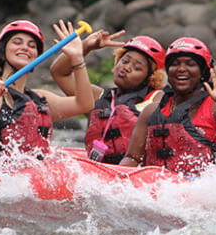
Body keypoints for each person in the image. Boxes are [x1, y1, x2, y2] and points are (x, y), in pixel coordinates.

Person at [0, 20, 94, 185]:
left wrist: (77, 59)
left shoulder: (40, 99)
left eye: (32, 46)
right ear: (3, 50)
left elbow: (85, 104)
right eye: (17, 42)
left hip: (27, 177)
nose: (25, 48)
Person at [120, 37, 216, 175]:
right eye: (175, 64)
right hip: (162, 187)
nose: (181, 69)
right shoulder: (151, 111)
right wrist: (118, 178)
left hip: (204, 188)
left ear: (203, 72)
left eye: (190, 64)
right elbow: (132, 158)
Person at [50, 31, 166, 163]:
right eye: (124, 61)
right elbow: (59, 73)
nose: (126, 68)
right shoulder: (96, 97)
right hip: (99, 173)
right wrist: (86, 46)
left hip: (135, 175)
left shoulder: (157, 99)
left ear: (151, 78)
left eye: (137, 68)